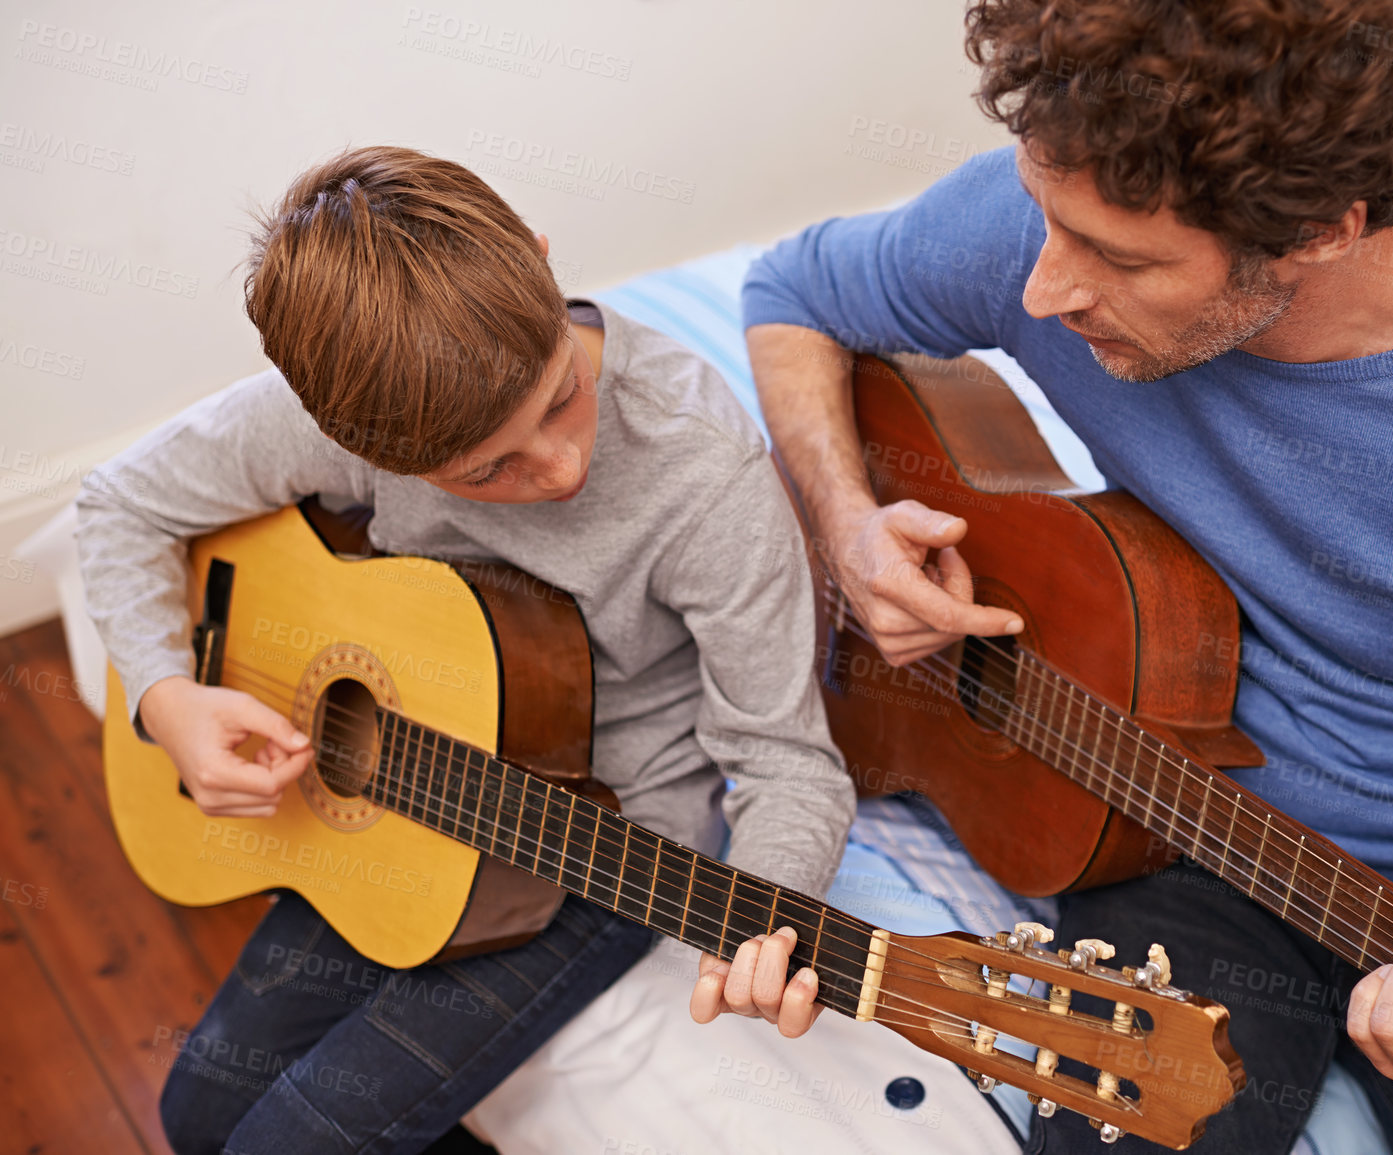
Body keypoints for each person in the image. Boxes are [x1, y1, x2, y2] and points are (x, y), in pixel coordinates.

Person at [738, 1, 1393, 1152]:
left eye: (1116, 258)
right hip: (1157, 813)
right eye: (1043, 218)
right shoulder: (1045, 222)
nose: (1044, 290)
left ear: (1319, 233)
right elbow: (789, 296)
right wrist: (850, 525)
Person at [75, 146, 854, 1155]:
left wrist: (768, 913)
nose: (563, 466)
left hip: (590, 845)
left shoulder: (702, 470)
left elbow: (789, 761)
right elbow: (120, 502)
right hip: (397, 797)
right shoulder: (354, 422)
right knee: (196, 1115)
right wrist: (165, 693)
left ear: (537, 259)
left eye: (561, 398)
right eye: (488, 470)